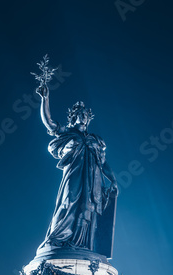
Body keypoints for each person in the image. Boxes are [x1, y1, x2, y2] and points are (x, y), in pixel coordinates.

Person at [36, 84, 118, 252]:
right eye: (79, 114)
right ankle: (56, 239)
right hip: (74, 176)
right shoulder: (67, 132)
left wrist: (114, 181)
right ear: (73, 117)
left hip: (93, 180)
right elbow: (50, 123)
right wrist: (45, 99)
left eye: (85, 114)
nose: (83, 117)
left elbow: (103, 163)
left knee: (88, 208)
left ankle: (82, 244)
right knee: (68, 203)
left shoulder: (96, 139)